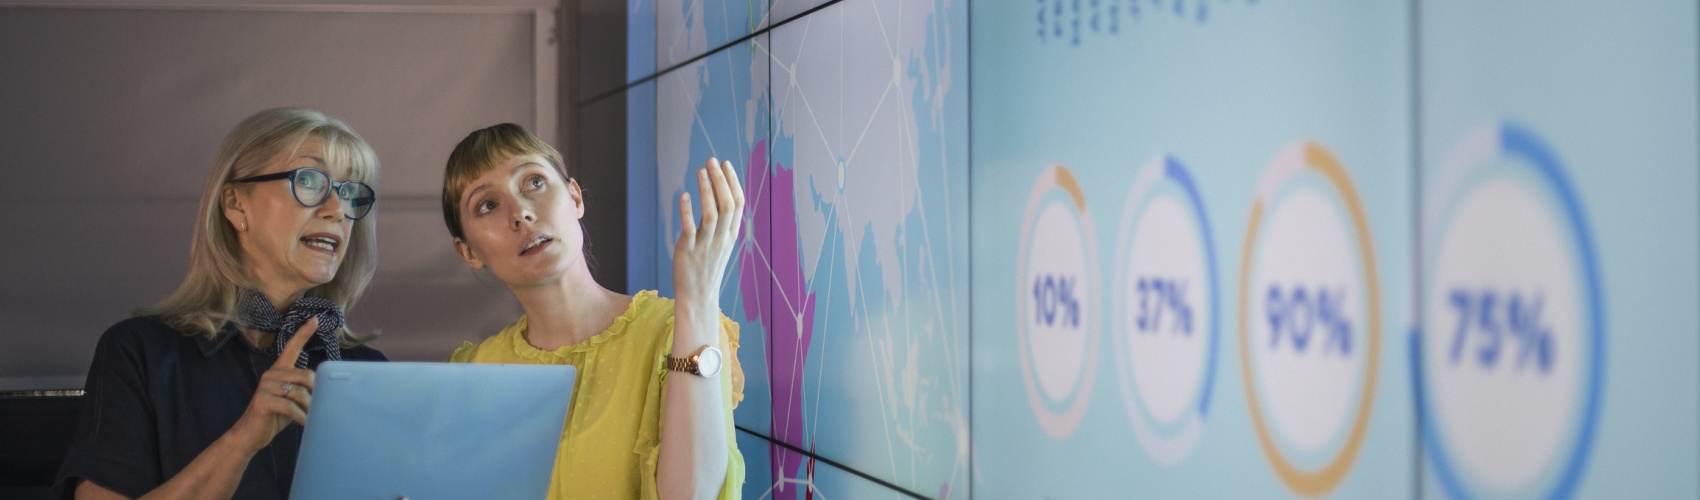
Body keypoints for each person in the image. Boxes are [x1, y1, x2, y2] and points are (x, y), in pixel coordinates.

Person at [54, 107, 389, 500]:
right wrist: (243, 439)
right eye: (310, 181)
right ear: (235, 204)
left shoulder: (369, 373)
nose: (337, 210)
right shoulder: (140, 353)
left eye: (350, 192)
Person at [441, 123, 745, 499]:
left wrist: (698, 300)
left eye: (534, 182)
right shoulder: (469, 374)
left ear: (575, 198)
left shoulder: (677, 332)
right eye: (487, 205)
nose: (520, 213)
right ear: (468, 252)